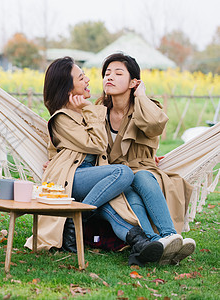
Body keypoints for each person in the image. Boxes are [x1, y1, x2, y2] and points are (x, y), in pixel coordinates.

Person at [25, 56, 163, 266]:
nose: (88, 80)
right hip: (74, 178)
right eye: (81, 78)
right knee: (122, 174)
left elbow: (109, 146)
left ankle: (141, 243)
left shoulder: (81, 113)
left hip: (95, 176)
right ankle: (79, 216)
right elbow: (98, 144)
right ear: (68, 87)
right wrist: (90, 110)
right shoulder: (62, 118)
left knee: (113, 208)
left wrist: (143, 155)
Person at [96, 53, 196, 265]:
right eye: (106, 73)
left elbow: (154, 126)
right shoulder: (98, 111)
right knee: (128, 185)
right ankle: (157, 242)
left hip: (144, 171)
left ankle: (167, 236)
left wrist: (140, 96)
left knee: (140, 177)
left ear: (134, 82)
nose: (110, 77)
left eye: (118, 73)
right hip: (112, 174)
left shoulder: (148, 106)